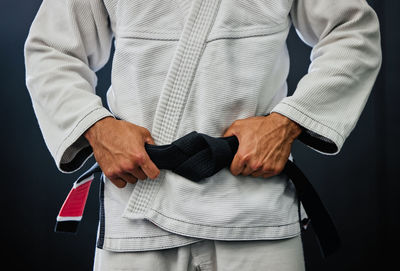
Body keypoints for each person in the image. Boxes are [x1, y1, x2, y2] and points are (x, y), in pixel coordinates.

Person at [24, 0, 381, 270]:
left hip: (255, 213)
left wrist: (286, 123)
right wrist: (97, 129)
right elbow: (51, 50)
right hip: (139, 210)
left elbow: (353, 31)